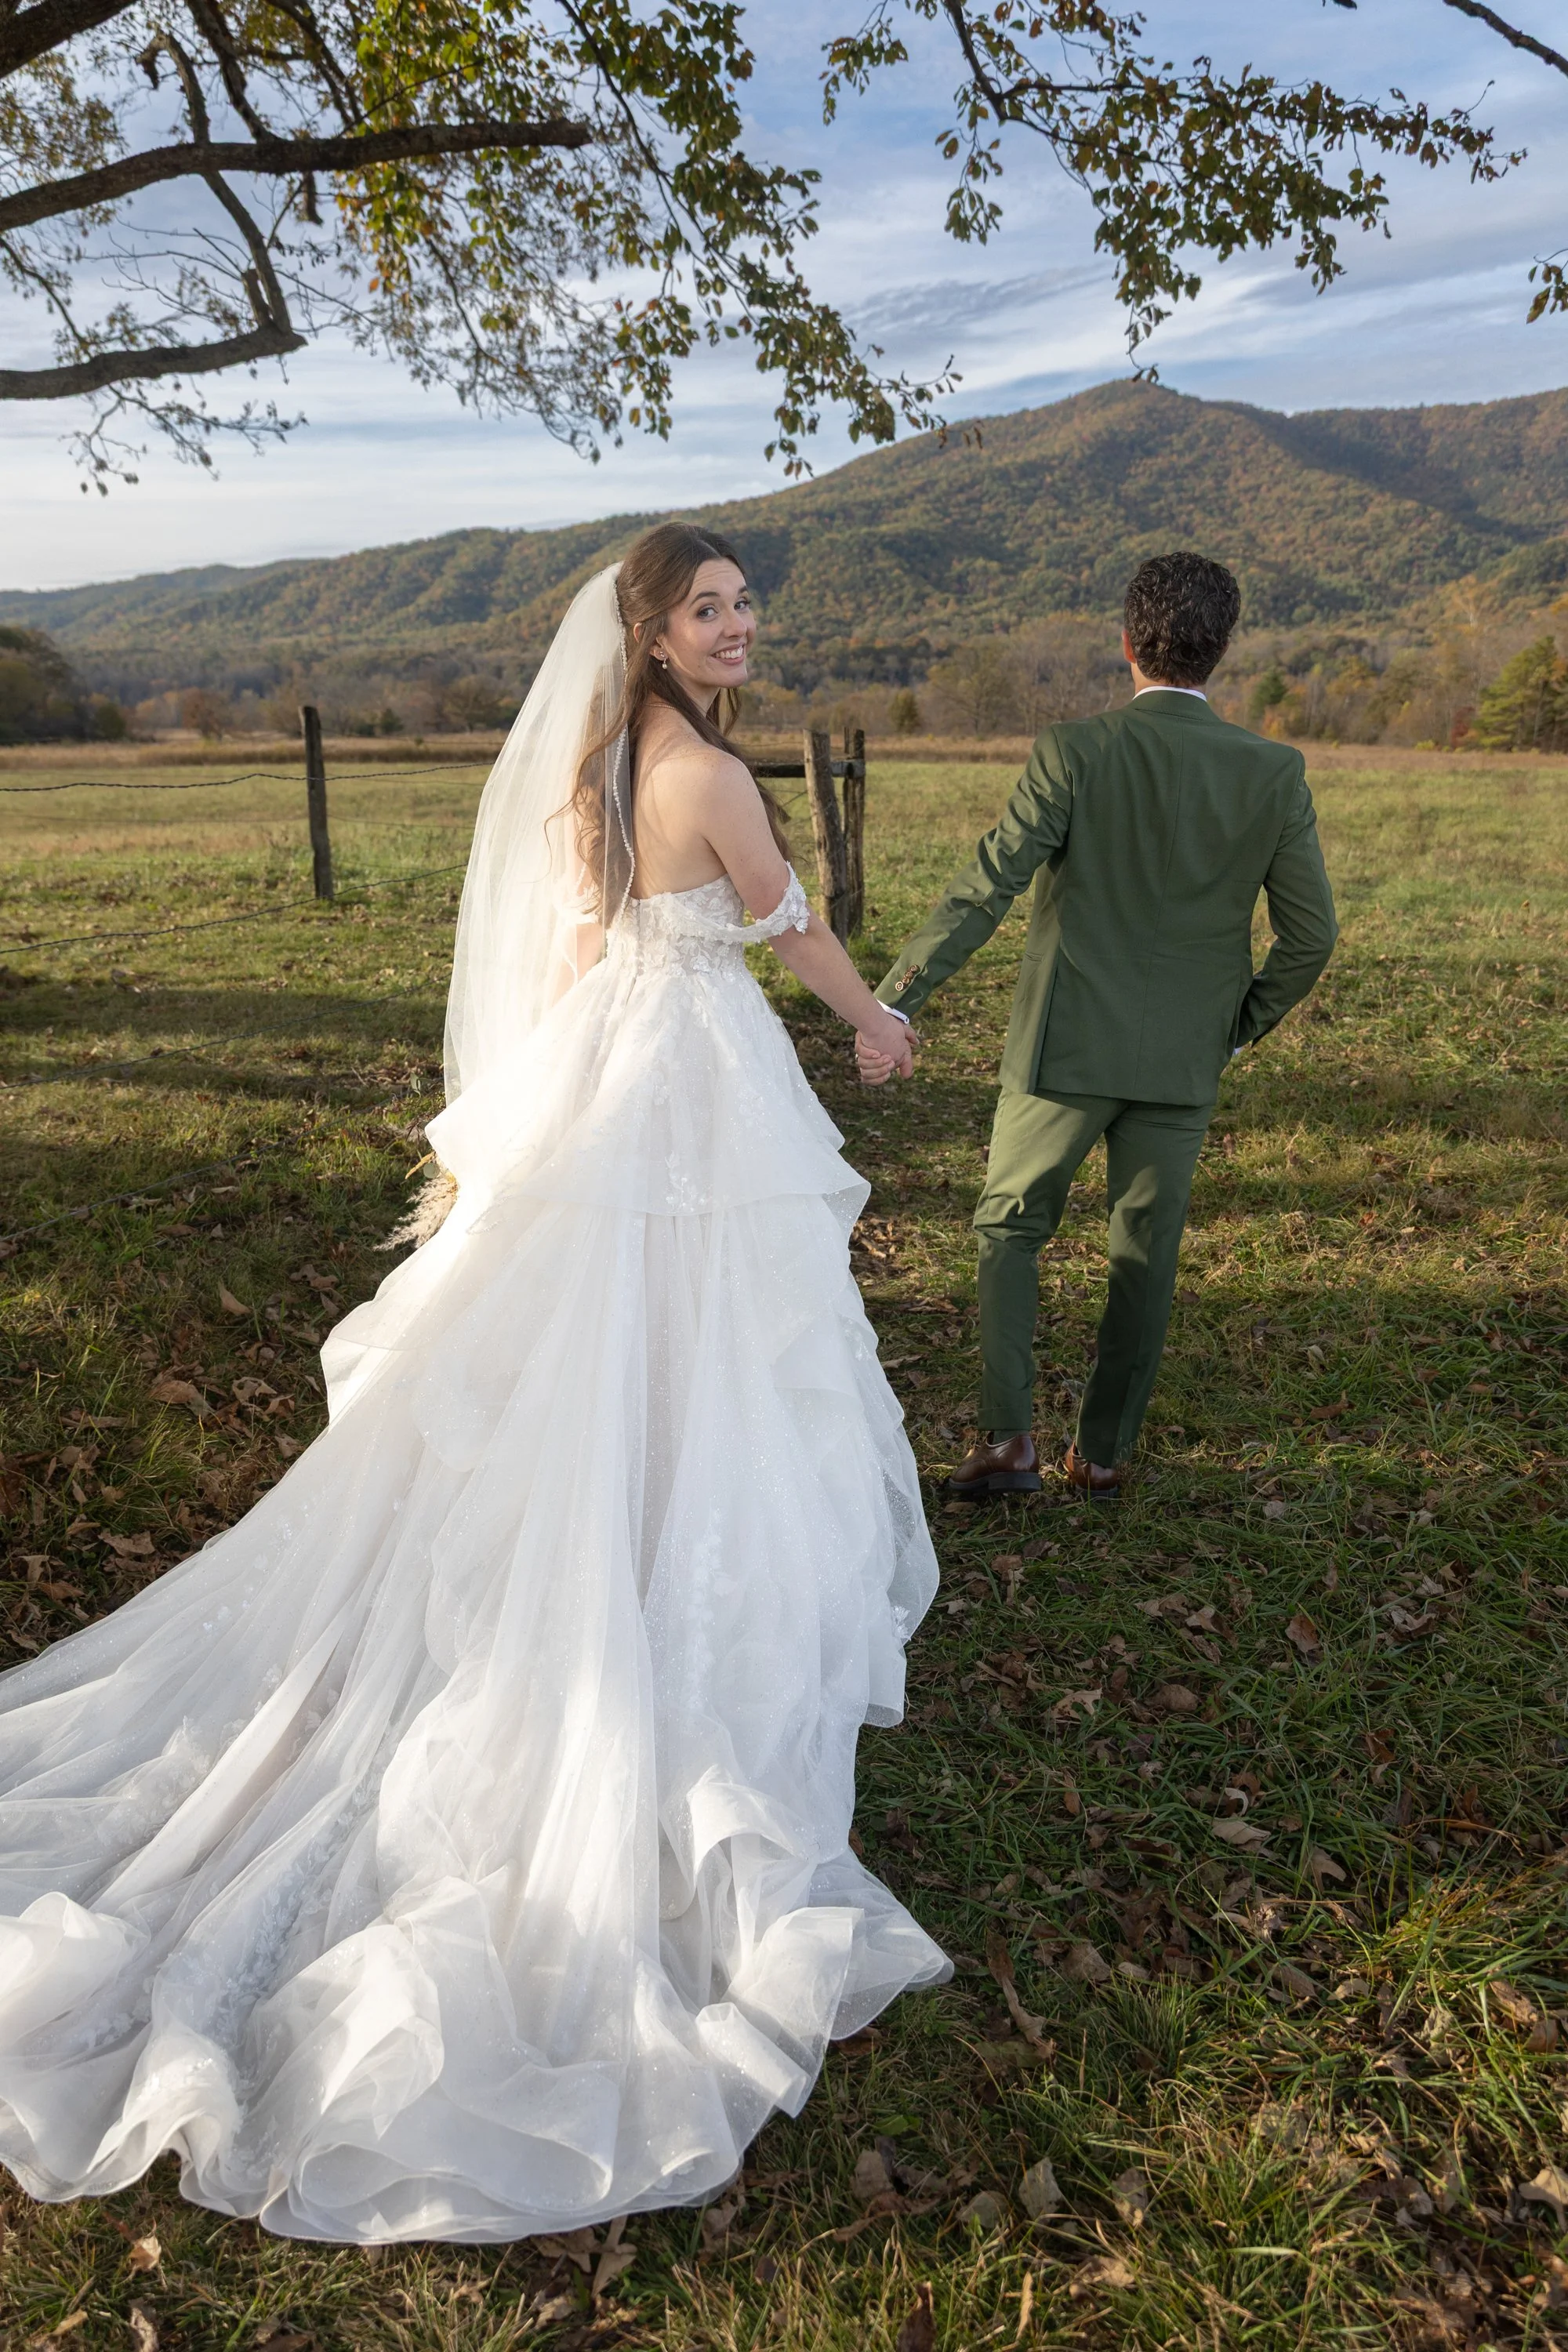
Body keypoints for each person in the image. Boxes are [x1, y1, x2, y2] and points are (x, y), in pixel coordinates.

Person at [0, 524, 946, 2243]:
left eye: (744, 605)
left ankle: (621, 1544)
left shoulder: (585, 768)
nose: (741, 628)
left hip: (614, 1071)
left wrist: (543, 1123)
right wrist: (875, 1020)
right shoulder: (711, 774)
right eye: (710, 609)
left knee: (599, 1344)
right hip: (695, 1078)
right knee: (708, 1347)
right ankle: (653, 1609)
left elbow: (579, 953)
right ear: (651, 634)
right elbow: (779, 921)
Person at [859, 552, 1338, 1502]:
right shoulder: (1273, 771)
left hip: (1061, 1048)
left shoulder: (1073, 752)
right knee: (1142, 1253)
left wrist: (895, 997)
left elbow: (986, 882)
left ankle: (1006, 1442)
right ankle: (1106, 1452)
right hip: (1181, 1061)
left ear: (1125, 645)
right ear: (1221, 651)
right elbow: (1309, 935)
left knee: (1007, 1226)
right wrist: (1233, 1029)